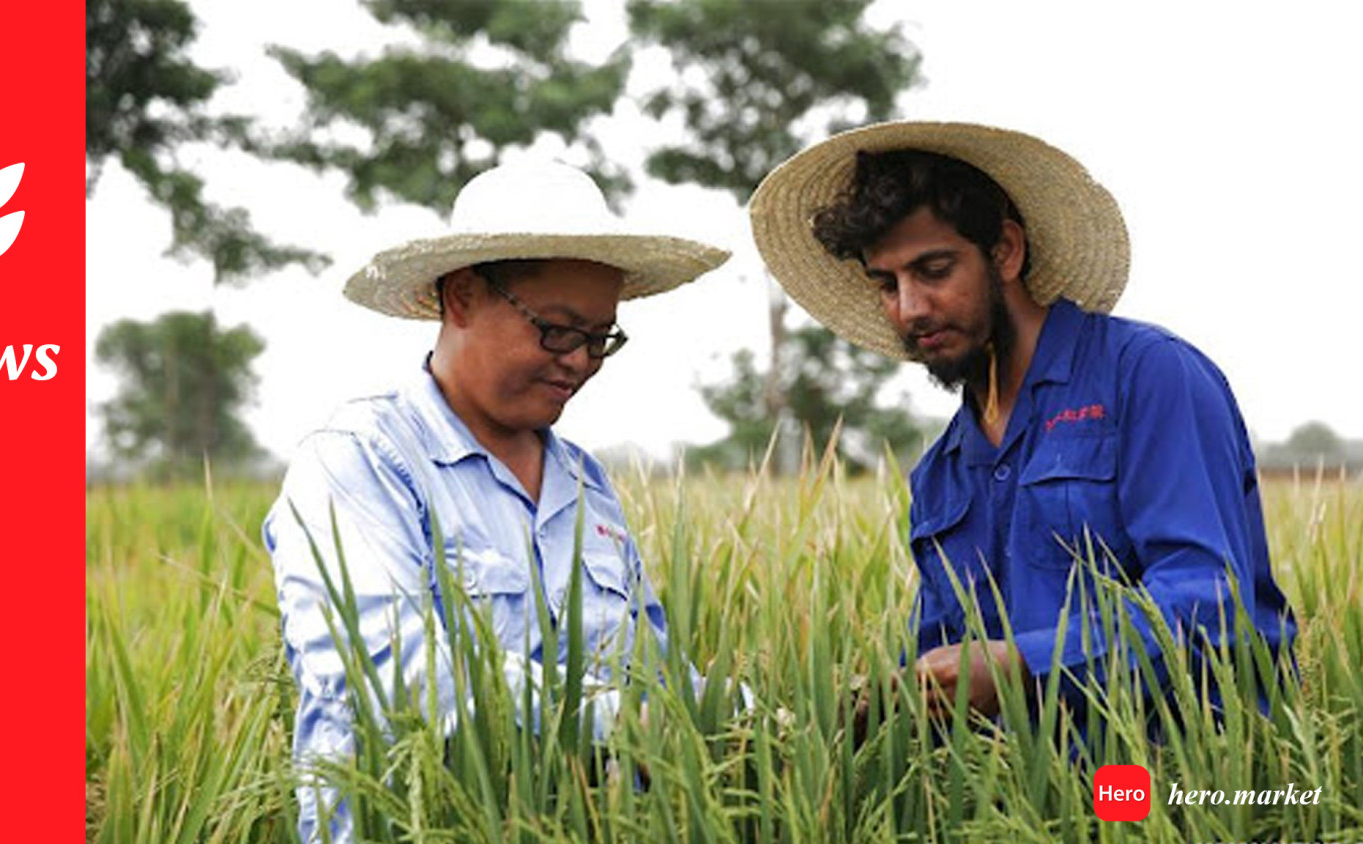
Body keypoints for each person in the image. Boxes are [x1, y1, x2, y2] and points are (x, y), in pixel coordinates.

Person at [749, 121, 1294, 725]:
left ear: (1005, 251)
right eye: (887, 283)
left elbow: (1209, 602)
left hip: (1172, 789)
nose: (910, 308)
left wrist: (1023, 665)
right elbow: (942, 666)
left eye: (934, 270)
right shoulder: (942, 473)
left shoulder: (1149, 377)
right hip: (1021, 802)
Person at [263, 160, 729, 841]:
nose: (578, 362)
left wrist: (770, 716)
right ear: (461, 297)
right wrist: (620, 721)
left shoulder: (587, 487)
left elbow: (654, 677)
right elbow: (393, 675)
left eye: (600, 339)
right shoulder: (360, 461)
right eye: (559, 329)